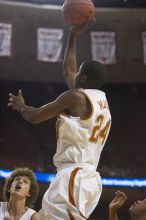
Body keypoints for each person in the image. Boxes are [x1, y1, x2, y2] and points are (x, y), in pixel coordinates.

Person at [8, 25, 111, 220]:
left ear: (84, 77)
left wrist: (22, 107)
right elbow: (68, 71)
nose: (74, 74)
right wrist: (72, 35)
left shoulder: (75, 97)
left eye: (79, 72)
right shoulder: (99, 100)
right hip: (84, 177)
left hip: (75, 175)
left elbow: (35, 116)